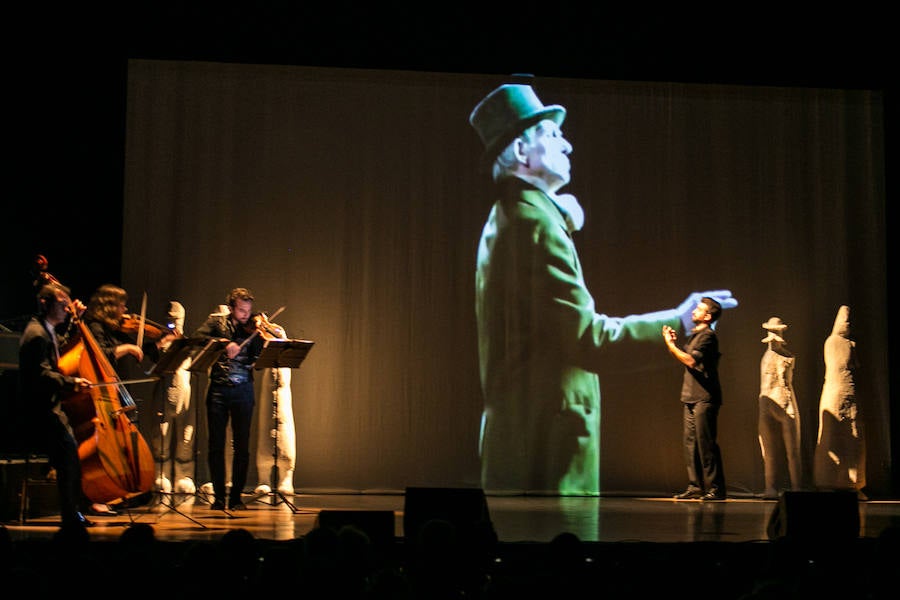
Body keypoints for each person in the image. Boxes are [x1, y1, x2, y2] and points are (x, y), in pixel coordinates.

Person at [468, 82, 737, 495]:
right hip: (547, 453)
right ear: (522, 152)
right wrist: (678, 321)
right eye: (553, 135)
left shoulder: (513, 216)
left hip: (526, 442)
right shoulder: (534, 225)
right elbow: (587, 340)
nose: (568, 146)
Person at [17, 281, 94, 527]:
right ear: (45, 303)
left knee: (72, 452)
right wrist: (72, 383)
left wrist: (75, 321)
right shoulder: (36, 334)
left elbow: (60, 351)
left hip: (50, 409)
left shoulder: (46, 329)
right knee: (70, 453)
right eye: (62, 305)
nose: (67, 309)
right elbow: (42, 374)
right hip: (40, 412)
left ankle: (73, 512)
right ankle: (71, 516)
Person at [192, 288, 268, 510]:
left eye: (248, 310)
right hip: (218, 390)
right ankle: (218, 497)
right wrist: (224, 343)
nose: (246, 315)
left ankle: (236, 497)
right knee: (216, 445)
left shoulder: (253, 328)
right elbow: (197, 338)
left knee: (242, 446)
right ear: (232, 307)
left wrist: (259, 351)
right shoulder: (218, 323)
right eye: (242, 310)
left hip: (243, 390)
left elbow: (257, 356)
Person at [662, 296, 727, 501]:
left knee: (705, 443)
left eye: (698, 309)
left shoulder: (708, 336)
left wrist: (670, 346)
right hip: (690, 396)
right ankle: (695, 486)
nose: (693, 312)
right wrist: (674, 344)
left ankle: (715, 488)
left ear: (707, 316)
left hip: (704, 398)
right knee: (690, 444)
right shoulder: (695, 336)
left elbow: (690, 361)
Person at [813, 304, 865, 496]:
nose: (847, 323)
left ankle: (853, 484)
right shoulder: (832, 342)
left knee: (854, 438)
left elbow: (855, 365)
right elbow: (841, 364)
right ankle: (827, 479)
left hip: (850, 392)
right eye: (844, 319)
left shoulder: (851, 343)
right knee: (832, 438)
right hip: (835, 390)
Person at [757, 316, 801, 499]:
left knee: (792, 451)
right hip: (767, 405)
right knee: (769, 451)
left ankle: (797, 487)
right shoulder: (766, 357)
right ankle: (770, 488)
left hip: (785, 402)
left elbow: (785, 382)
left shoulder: (788, 356)